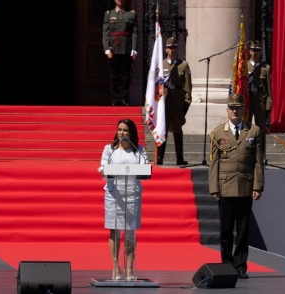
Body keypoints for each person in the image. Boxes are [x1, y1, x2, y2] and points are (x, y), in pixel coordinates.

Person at [208, 93, 264, 279]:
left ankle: (240, 266)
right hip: (225, 187)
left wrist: (258, 186)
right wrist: (214, 188)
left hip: (245, 187)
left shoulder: (253, 131)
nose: (234, 110)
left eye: (237, 107)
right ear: (227, 111)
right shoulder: (218, 132)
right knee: (225, 229)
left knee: (243, 230)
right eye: (231, 107)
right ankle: (226, 264)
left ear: (243, 110)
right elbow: (214, 162)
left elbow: (257, 162)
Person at [98, 118, 149, 281]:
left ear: (131, 133)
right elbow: (102, 167)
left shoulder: (138, 150)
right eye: (119, 129)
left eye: (125, 130)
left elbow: (145, 169)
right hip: (114, 195)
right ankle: (115, 266)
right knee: (114, 229)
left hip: (132, 194)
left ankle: (129, 268)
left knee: (130, 232)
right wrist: (105, 170)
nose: (121, 133)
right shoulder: (109, 149)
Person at [157, 37, 192, 165]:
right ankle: (160, 157)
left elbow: (187, 86)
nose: (172, 50)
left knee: (177, 130)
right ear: (166, 49)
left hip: (177, 103)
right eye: (170, 48)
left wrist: (186, 102)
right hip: (164, 102)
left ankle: (180, 158)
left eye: (174, 47)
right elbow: (156, 85)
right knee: (163, 130)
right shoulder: (161, 64)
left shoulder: (183, 65)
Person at [102, 0, 138, 106]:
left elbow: (134, 32)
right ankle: (114, 99)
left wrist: (134, 48)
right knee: (114, 75)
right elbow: (106, 32)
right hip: (113, 48)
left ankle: (122, 98)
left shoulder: (131, 14)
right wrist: (106, 48)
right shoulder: (109, 14)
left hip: (126, 48)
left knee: (125, 75)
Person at [247, 40, 273, 155]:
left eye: (258, 50)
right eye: (253, 50)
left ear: (261, 52)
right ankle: (246, 153)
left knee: (260, 129)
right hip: (247, 101)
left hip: (260, 101)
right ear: (250, 51)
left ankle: (260, 154)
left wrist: (269, 105)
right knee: (245, 128)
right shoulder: (244, 65)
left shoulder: (265, 68)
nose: (255, 53)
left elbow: (269, 89)